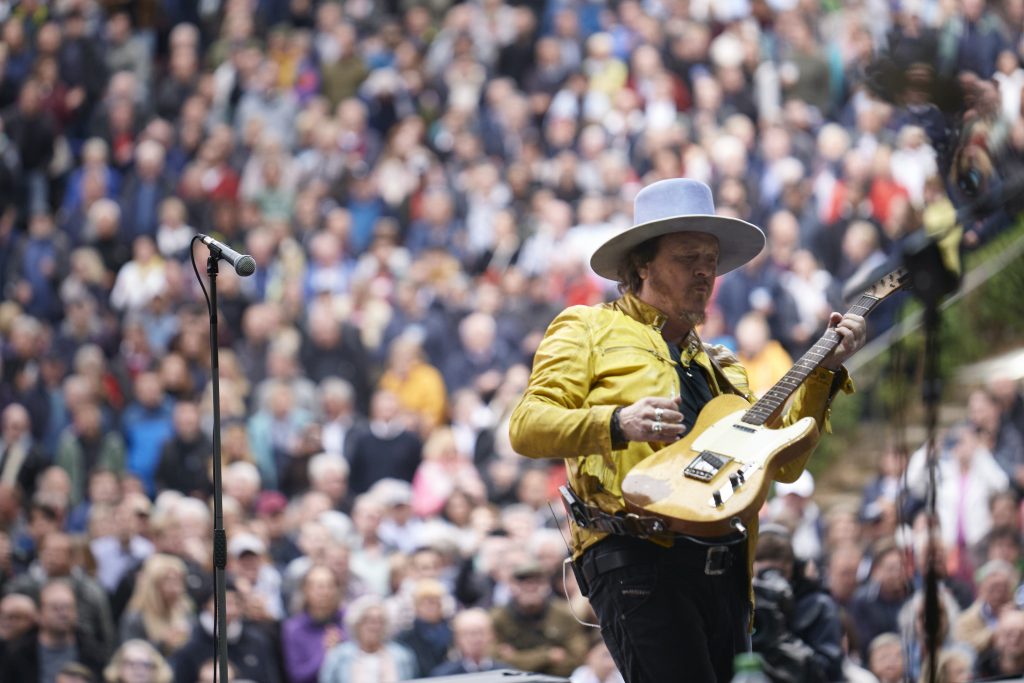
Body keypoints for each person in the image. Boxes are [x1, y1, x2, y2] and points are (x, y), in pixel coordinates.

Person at [508, 178, 867, 683]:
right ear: (641, 265)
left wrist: (825, 373)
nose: (704, 272)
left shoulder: (725, 366)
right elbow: (525, 427)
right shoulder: (585, 327)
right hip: (635, 555)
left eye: (711, 260)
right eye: (686, 258)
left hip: (726, 564)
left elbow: (783, 466)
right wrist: (616, 422)